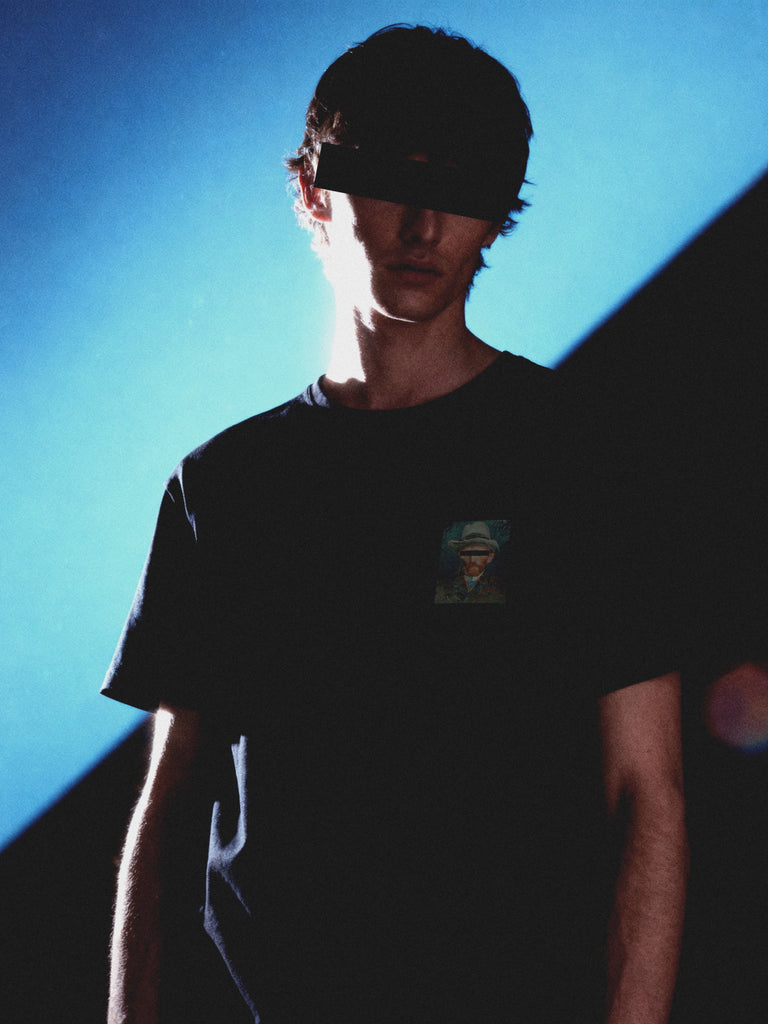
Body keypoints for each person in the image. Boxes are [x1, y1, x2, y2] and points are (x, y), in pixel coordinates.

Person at [103, 24, 688, 1024]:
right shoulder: (224, 486)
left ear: (497, 214)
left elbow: (648, 791)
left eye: (461, 187)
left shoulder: (579, 455)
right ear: (311, 191)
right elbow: (170, 804)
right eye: (388, 178)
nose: (424, 225)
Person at [434, 520, 506, 603]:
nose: (472, 559)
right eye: (466, 553)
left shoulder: (501, 590)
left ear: (490, 557)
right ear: (459, 555)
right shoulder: (441, 587)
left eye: (479, 553)